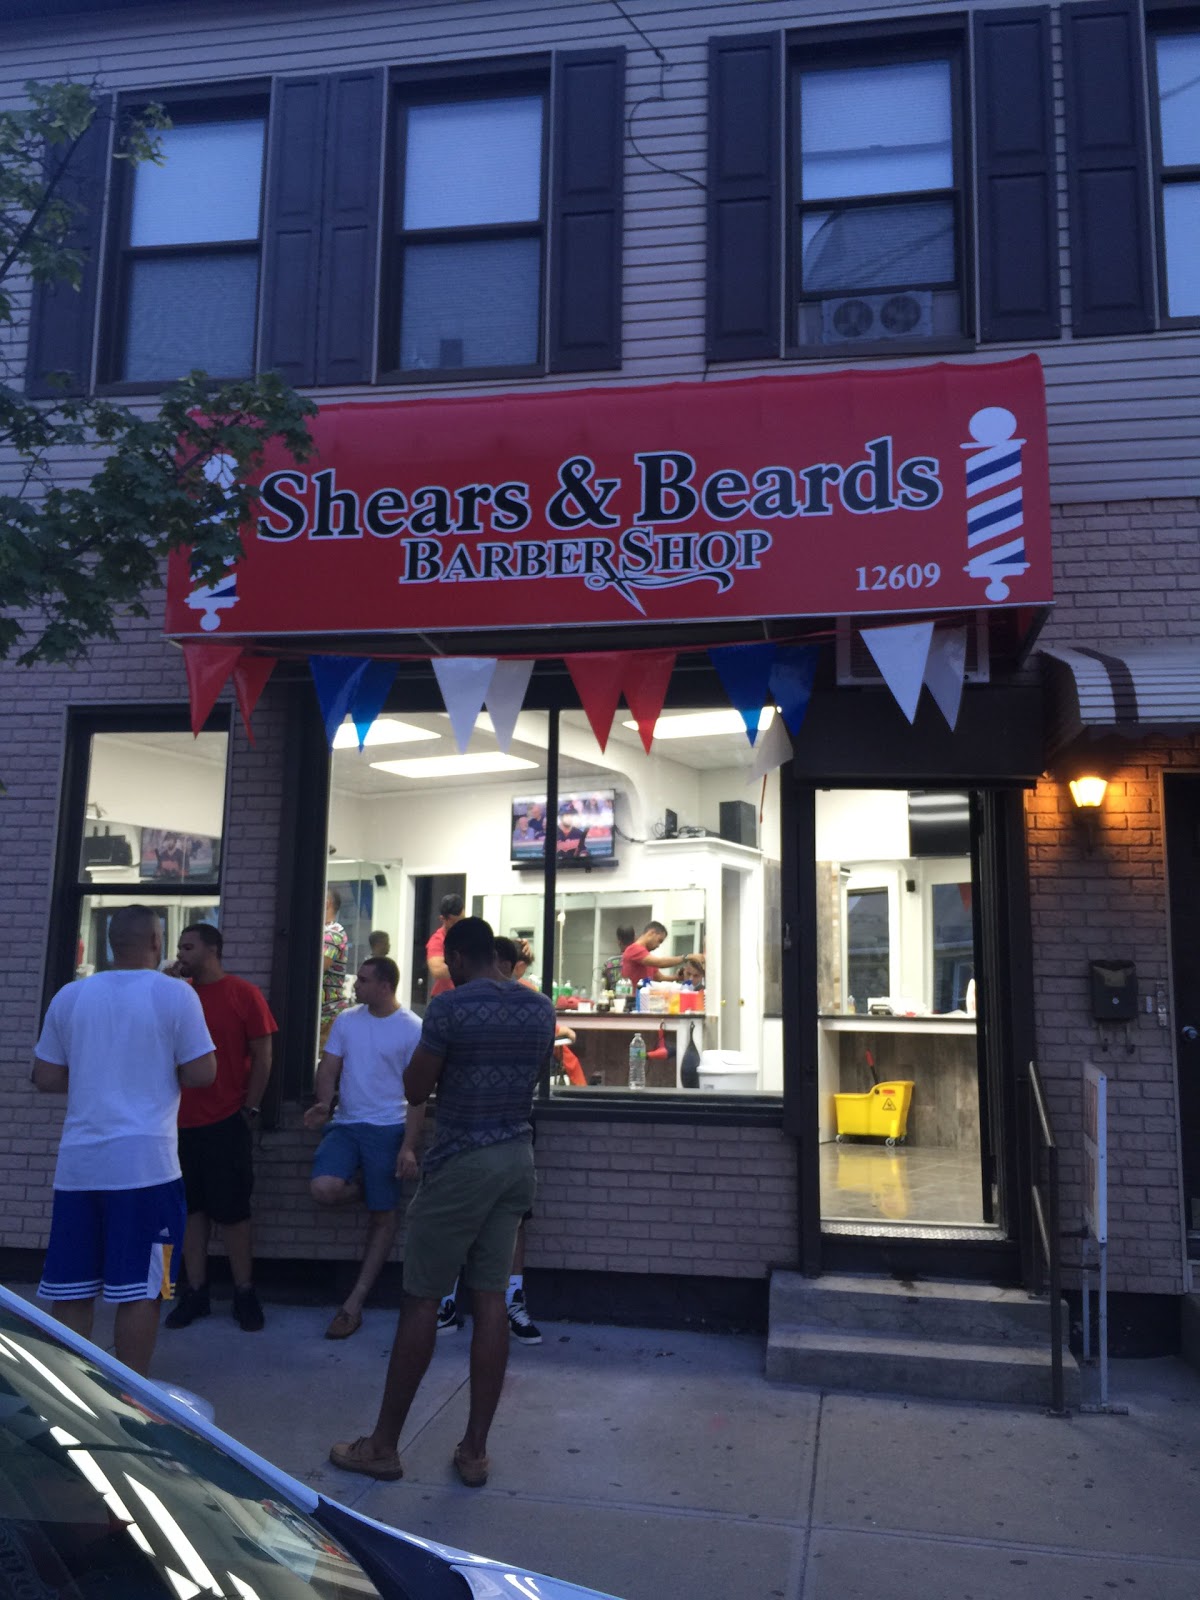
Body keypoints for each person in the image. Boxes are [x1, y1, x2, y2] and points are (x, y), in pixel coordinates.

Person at [329, 916, 555, 1487]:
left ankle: (382, 1445)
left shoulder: (451, 1008)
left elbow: (414, 1088)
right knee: (490, 1302)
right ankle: (475, 1451)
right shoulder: (540, 1007)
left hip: (460, 1164)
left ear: (457, 955)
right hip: (515, 1160)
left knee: (422, 1301)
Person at [31, 905, 217, 1375]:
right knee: (145, 1289)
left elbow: (46, 1077)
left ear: (112, 943)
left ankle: (70, 1400)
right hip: (147, 1169)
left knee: (72, 1289)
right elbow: (202, 1072)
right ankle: (130, 1401)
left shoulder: (70, 996)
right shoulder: (176, 996)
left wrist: (97, 1068)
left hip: (79, 1168)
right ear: (157, 941)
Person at [164, 923, 276, 1335]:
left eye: (189, 946)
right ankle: (196, 1291)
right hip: (178, 1120)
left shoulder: (243, 994)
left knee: (233, 1212)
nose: (182, 953)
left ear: (213, 949)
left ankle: (245, 1292)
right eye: (179, 946)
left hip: (227, 1117)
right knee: (190, 1211)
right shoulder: (178, 994)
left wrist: (251, 1107)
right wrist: (165, 985)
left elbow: (264, 1054)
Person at [304, 956, 422, 1340]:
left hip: (389, 1128)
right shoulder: (348, 1020)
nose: (357, 986)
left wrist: (408, 1146)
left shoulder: (412, 1029)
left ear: (386, 986)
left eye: (365, 981)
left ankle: (354, 1303)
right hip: (347, 1125)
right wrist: (324, 1103)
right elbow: (329, 1067)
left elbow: (419, 1096)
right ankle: (369, 1190)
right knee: (323, 1188)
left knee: (383, 1217)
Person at [321, 888, 349, 1049]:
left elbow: (318, 969)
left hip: (328, 1014)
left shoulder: (332, 933)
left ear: (327, 903)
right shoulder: (324, 931)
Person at [424, 892, 464, 1001]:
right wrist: (471, 967)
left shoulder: (470, 935)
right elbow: (438, 970)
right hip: (446, 998)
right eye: (453, 923)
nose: (457, 926)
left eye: (460, 921)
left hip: (467, 996)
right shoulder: (437, 940)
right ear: (443, 919)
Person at [621, 920, 687, 985]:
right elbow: (660, 962)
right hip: (633, 995)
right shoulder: (634, 949)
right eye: (659, 941)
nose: (658, 945)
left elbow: (659, 977)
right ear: (651, 933)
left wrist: (677, 977)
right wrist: (686, 958)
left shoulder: (646, 956)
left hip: (644, 994)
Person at [601, 924, 637, 992]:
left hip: (614, 1001)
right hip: (635, 1001)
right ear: (634, 939)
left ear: (619, 942)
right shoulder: (641, 961)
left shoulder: (609, 963)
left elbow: (605, 990)